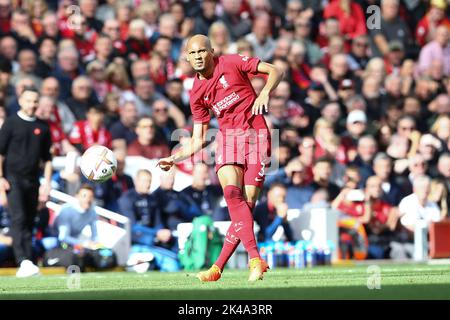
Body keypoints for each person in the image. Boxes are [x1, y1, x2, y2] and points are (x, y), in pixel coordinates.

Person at [157, 35, 283, 282]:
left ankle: (217, 268)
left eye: (202, 51)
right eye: (192, 54)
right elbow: (198, 138)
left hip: (257, 136)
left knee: (244, 208)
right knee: (233, 197)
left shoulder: (232, 62)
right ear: (186, 57)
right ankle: (255, 259)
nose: (197, 57)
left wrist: (265, 92)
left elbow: (274, 70)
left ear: (212, 52)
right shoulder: (196, 93)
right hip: (228, 140)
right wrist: (175, 157)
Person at [0, 86, 52, 277]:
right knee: (18, 218)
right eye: (28, 100)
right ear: (21, 101)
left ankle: (28, 261)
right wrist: (0, 179)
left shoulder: (43, 127)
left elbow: (47, 159)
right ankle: (23, 260)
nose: (32, 104)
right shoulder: (11, 123)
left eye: (35, 101)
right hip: (13, 179)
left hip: (33, 180)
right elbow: (1, 153)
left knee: (30, 221)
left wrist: (46, 183)